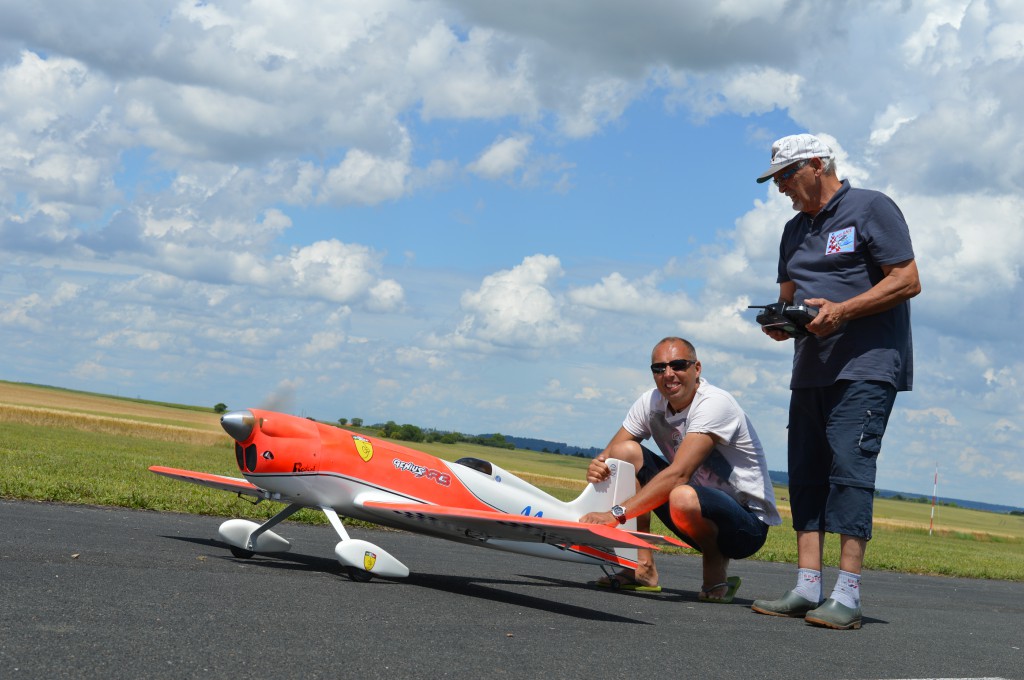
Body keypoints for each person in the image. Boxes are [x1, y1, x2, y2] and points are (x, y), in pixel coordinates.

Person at [750, 134, 921, 630]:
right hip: (810, 370)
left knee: (849, 471)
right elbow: (789, 294)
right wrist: (783, 322)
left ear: (818, 165)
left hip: (865, 368)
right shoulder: (792, 230)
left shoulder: (871, 207)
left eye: (786, 175)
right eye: (775, 178)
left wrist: (843, 311)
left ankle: (847, 595)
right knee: (805, 474)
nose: (780, 186)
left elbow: (908, 279)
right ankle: (807, 588)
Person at [579, 337, 781, 603]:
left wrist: (614, 515)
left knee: (681, 494)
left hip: (746, 524)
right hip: (690, 505)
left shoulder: (715, 403)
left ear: (697, 368)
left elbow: (679, 474)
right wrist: (599, 465)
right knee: (625, 453)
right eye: (659, 368)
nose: (668, 374)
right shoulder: (650, 402)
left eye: (678, 365)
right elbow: (612, 454)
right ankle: (643, 568)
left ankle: (715, 563)